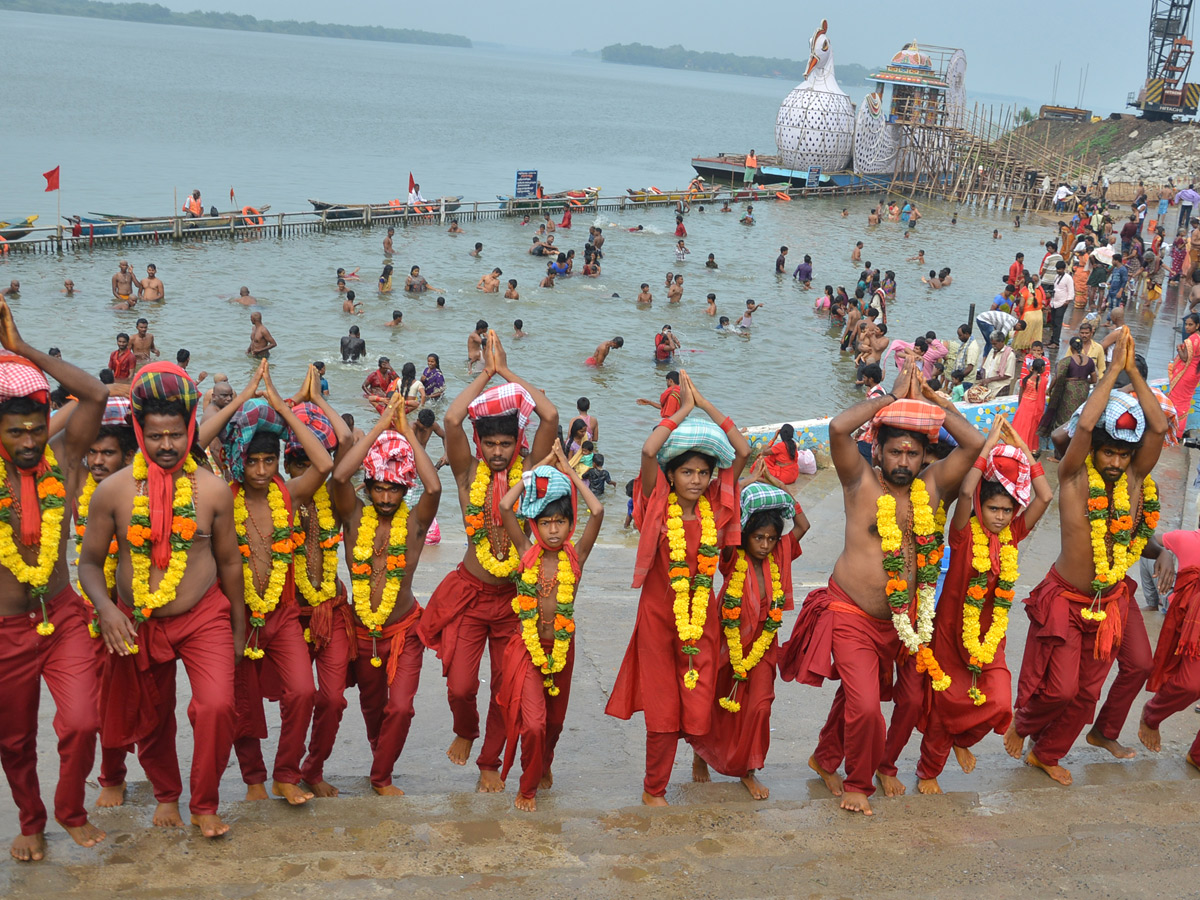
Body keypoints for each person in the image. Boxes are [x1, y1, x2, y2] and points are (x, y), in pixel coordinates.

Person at [778, 356, 983, 815]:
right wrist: (892, 397)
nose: (904, 461)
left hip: (905, 620)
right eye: (895, 451)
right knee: (868, 706)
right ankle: (856, 783)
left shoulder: (933, 488)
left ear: (925, 455)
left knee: (888, 698)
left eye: (912, 452)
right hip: (851, 612)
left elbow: (973, 444)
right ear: (879, 450)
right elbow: (836, 429)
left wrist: (930, 398)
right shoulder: (859, 483)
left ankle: (825, 758)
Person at [80, 360, 245, 839]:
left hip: (203, 616)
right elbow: (90, 563)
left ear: (189, 428)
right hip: (138, 620)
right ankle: (167, 794)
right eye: (155, 437)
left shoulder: (213, 491)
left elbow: (230, 563)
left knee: (215, 706)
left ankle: (206, 802)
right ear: (139, 431)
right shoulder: (113, 492)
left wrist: (236, 629)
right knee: (152, 717)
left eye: (175, 435)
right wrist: (107, 609)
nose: (167, 446)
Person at [1008, 329, 1167, 785]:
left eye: (1122, 455)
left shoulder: (1135, 479)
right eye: (1109, 453)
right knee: (1059, 688)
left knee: (1089, 690)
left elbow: (1157, 428)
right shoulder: (1075, 477)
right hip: (1068, 597)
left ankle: (1048, 753)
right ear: (1094, 451)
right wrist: (1112, 372)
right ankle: (1026, 724)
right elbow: (1080, 427)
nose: (1115, 463)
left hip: (1112, 597)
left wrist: (1133, 372)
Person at [420, 332, 559, 791]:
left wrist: (509, 375)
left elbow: (551, 416)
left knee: (505, 684)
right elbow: (454, 418)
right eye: (491, 444)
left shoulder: (532, 474)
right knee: (461, 685)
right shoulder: (467, 473)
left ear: (516, 442)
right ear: (481, 445)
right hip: (469, 592)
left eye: (505, 444)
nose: (498, 452)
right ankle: (465, 728)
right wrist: (486, 371)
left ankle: (488, 761)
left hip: (514, 600)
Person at [607, 371, 751, 805]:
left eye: (703, 472)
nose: (695, 479)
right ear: (670, 475)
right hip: (656, 618)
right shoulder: (654, 505)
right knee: (664, 704)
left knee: (700, 697)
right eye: (686, 471)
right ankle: (654, 790)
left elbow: (742, 450)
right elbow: (650, 450)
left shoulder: (717, 509)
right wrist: (684, 411)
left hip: (701, 616)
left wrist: (706, 404)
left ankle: (701, 756)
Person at [0, 308, 109, 861]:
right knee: (14, 741)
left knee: (84, 721)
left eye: (36, 428)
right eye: (15, 431)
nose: (28, 440)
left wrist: (24, 348)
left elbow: (93, 394)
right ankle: (31, 820)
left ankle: (70, 810)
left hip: (63, 613)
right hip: (4, 632)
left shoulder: (63, 459)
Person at [210, 373, 333, 806]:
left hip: (280, 617)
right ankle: (254, 780)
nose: (261, 471)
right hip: (234, 620)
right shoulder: (222, 499)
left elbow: (324, 464)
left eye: (269, 461)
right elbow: (192, 447)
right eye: (253, 461)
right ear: (240, 459)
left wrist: (283, 408)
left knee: (303, 692)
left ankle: (286, 773)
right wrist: (244, 397)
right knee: (242, 704)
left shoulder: (289, 495)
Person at [915, 419, 1052, 793]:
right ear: (981, 505)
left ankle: (963, 740)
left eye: (1007, 510)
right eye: (994, 508)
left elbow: (1045, 498)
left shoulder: (1013, 534)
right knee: (947, 704)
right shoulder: (962, 533)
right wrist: (988, 446)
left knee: (998, 703)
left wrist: (1023, 447)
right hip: (950, 629)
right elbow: (963, 495)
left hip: (991, 635)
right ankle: (929, 770)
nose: (1001, 517)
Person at [326, 395, 440, 795]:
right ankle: (381, 764)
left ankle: (381, 776)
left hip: (405, 631)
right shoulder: (355, 517)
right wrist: (379, 428)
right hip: (361, 632)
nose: (387, 498)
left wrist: (406, 431)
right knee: (373, 708)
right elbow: (339, 478)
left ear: (403, 490)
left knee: (401, 707)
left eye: (394, 490)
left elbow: (434, 485)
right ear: (368, 487)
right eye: (379, 489)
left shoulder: (415, 524)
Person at [496, 447, 604, 811]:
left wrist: (571, 473)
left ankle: (544, 764)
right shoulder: (526, 549)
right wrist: (540, 468)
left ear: (569, 524)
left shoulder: (577, 557)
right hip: (527, 648)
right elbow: (505, 507)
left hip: (562, 648)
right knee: (536, 724)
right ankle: (526, 788)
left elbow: (599, 510)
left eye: (560, 522)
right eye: (545, 522)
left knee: (554, 724)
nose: (553, 529)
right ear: (535, 525)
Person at [1168, 313, 1200, 440]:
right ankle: (1178, 433)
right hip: (1195, 374)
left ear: (1197, 325)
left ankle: (1173, 432)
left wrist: (1179, 349)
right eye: (1186, 324)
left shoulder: (1192, 340)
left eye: (1190, 324)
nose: (1187, 327)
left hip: (1186, 374)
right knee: (1185, 402)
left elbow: (1185, 358)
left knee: (1177, 400)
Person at [1012, 358, 1048, 451]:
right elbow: (1042, 397)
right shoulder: (1043, 380)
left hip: (1024, 405)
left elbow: (1021, 393)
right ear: (1042, 368)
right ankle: (1027, 448)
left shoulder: (1026, 379)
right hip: (1033, 407)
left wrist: (1020, 405)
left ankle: (1015, 446)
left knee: (1020, 426)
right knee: (1030, 429)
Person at [974, 331, 1018, 401]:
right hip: (989, 387)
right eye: (992, 344)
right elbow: (986, 367)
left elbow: (1008, 375)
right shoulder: (992, 351)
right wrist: (983, 380)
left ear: (1002, 342)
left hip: (1000, 387)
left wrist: (990, 379)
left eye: (995, 344)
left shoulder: (1010, 355)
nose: (993, 346)